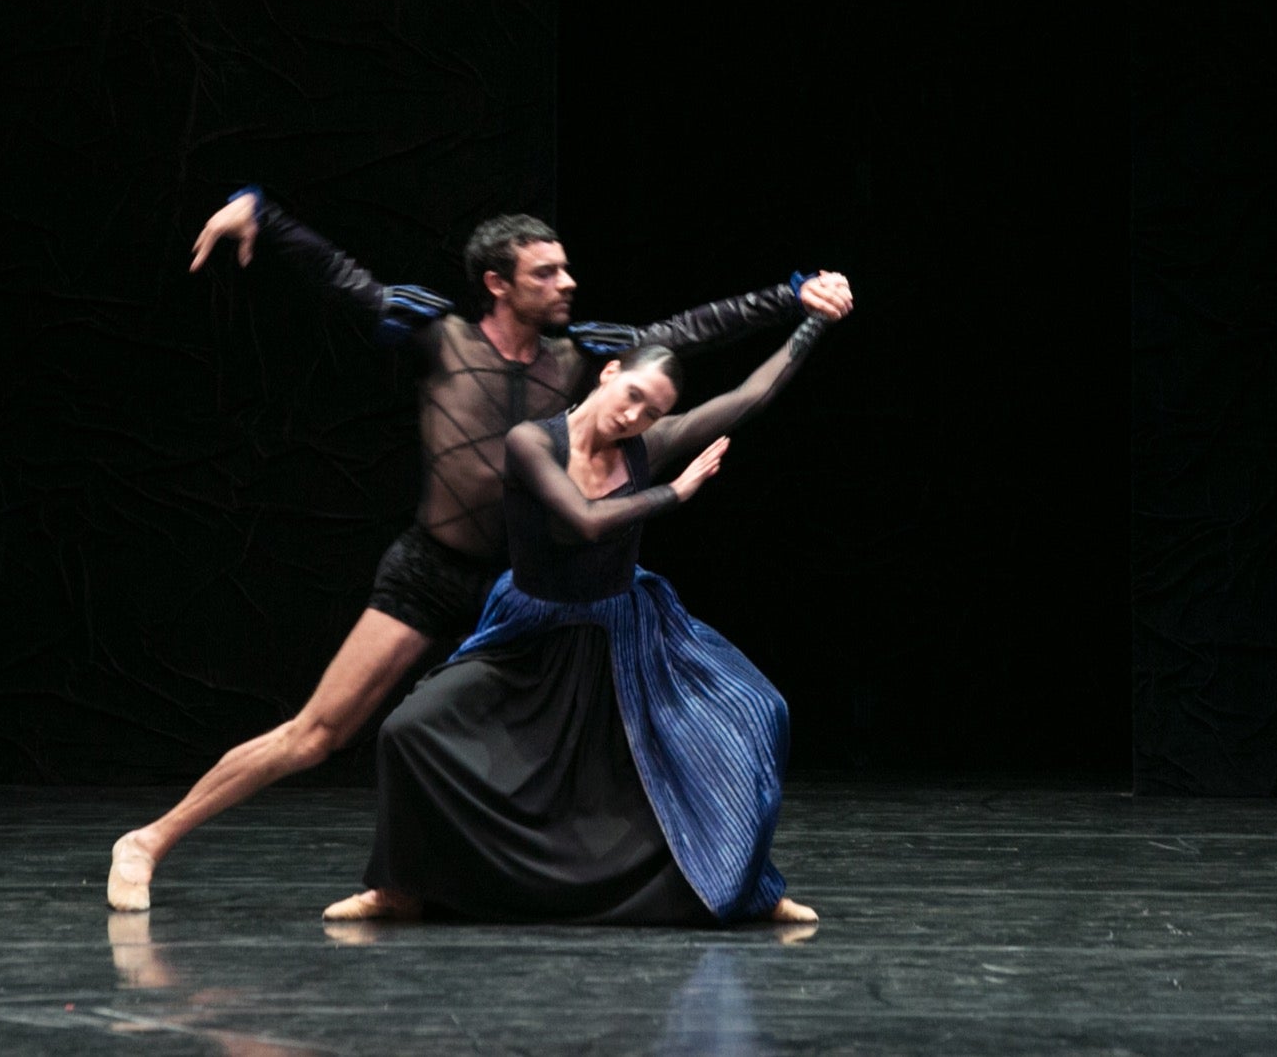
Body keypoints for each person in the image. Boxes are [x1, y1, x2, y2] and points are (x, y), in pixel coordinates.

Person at [108, 187, 853, 911]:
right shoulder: (443, 340)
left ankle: (707, 882)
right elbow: (345, 281)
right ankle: (149, 840)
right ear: (498, 284)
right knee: (319, 732)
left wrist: (794, 298)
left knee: (610, 741)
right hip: (435, 572)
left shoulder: (581, 361)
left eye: (563, 268)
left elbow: (690, 330)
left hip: (534, 588)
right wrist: (262, 214)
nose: (567, 282)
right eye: (546, 273)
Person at [322, 313, 838, 926]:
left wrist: (812, 323)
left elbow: (751, 394)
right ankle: (398, 889)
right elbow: (584, 520)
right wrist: (677, 492)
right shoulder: (532, 442)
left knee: (755, 714)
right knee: (407, 731)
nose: (634, 417)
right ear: (610, 373)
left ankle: (751, 887)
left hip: (626, 631)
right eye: (634, 397)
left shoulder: (647, 447)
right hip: (532, 630)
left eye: (652, 413)